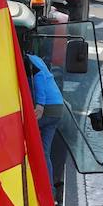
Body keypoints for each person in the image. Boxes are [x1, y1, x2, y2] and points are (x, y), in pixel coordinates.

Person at [25, 54, 64, 185]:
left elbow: (39, 76)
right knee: (43, 152)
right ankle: (48, 189)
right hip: (57, 107)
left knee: (19, 136)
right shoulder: (36, 58)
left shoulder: (26, 60)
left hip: (47, 107)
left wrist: (40, 104)